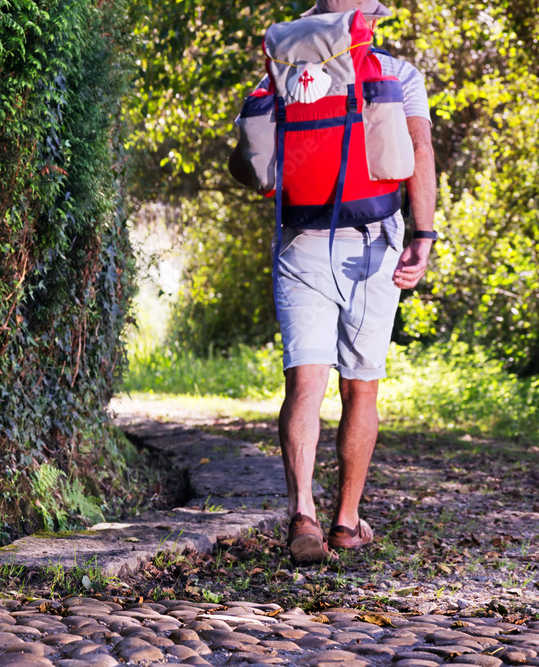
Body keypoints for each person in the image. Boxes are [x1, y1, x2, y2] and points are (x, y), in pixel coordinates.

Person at [228, 0, 437, 564]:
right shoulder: (396, 74)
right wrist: (424, 233)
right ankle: (346, 523)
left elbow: (248, 160)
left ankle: (303, 513)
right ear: (372, 14)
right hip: (373, 242)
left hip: (301, 238)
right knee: (360, 386)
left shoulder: (285, 68)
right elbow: (417, 151)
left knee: (305, 382)